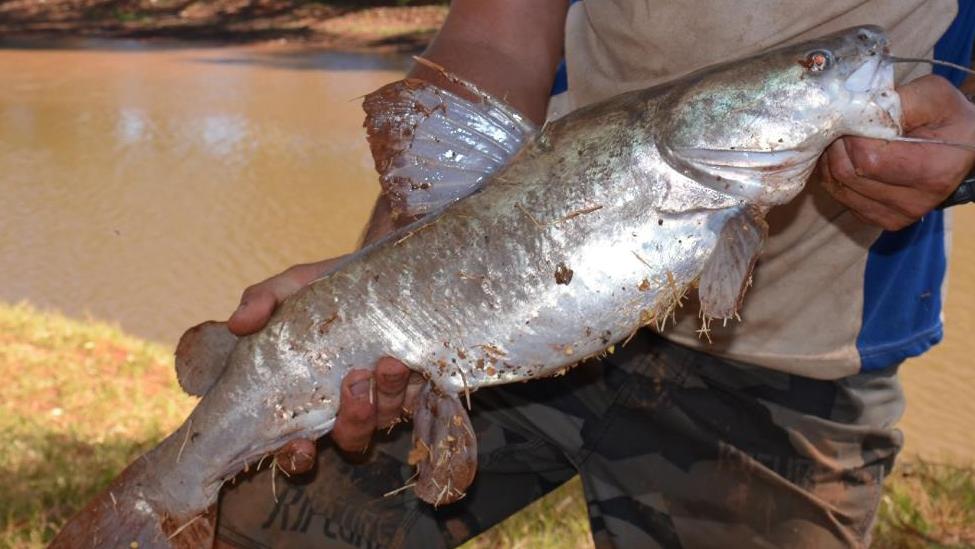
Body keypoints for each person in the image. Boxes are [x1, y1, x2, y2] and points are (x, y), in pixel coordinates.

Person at [214, 1, 975, 547]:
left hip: (794, 364)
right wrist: (384, 285)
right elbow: (497, 37)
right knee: (248, 529)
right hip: (508, 281)